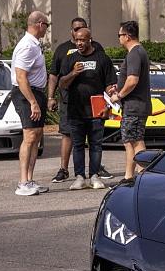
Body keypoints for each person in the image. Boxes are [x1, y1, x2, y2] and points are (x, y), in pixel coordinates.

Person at [47, 17, 113, 182]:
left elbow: (109, 84)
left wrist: (110, 103)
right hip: (74, 108)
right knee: (76, 143)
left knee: (95, 144)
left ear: (89, 39)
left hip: (96, 109)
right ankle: (78, 176)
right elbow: (61, 81)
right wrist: (73, 73)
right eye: (77, 40)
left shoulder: (102, 58)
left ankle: (95, 175)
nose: (79, 43)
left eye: (82, 40)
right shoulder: (69, 57)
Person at [10, 11, 50, 196]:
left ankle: (30, 180)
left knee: (36, 135)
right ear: (40, 24)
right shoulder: (27, 46)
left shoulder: (34, 44)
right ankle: (22, 182)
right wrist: (32, 102)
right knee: (29, 136)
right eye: (47, 25)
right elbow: (21, 77)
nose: (47, 29)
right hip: (27, 93)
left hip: (36, 93)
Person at [109, 21, 151, 184]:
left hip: (134, 106)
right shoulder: (139, 52)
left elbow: (133, 80)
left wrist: (118, 95)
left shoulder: (134, 53)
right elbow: (130, 80)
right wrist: (118, 86)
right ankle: (133, 176)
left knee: (133, 141)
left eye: (119, 35)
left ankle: (137, 176)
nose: (119, 38)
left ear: (127, 36)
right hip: (136, 105)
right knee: (133, 140)